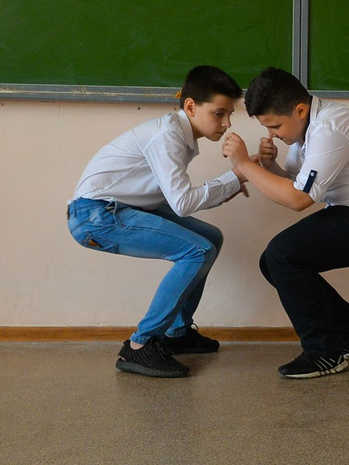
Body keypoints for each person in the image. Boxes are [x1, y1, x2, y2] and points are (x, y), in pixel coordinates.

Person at [222, 67, 349, 379]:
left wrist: (245, 164)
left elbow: (298, 200)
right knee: (272, 261)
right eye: (267, 127)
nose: (272, 134)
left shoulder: (331, 129)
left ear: (299, 110)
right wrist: (269, 165)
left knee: (282, 254)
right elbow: (298, 184)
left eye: (275, 125)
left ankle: (323, 354)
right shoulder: (306, 128)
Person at [67, 65, 248, 378]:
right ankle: (140, 345)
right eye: (219, 113)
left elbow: (177, 200)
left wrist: (240, 176)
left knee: (211, 239)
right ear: (190, 106)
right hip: (96, 215)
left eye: (230, 114)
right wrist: (236, 176)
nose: (227, 123)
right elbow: (183, 203)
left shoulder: (178, 135)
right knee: (198, 250)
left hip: (122, 208)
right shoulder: (168, 136)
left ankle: (177, 333)